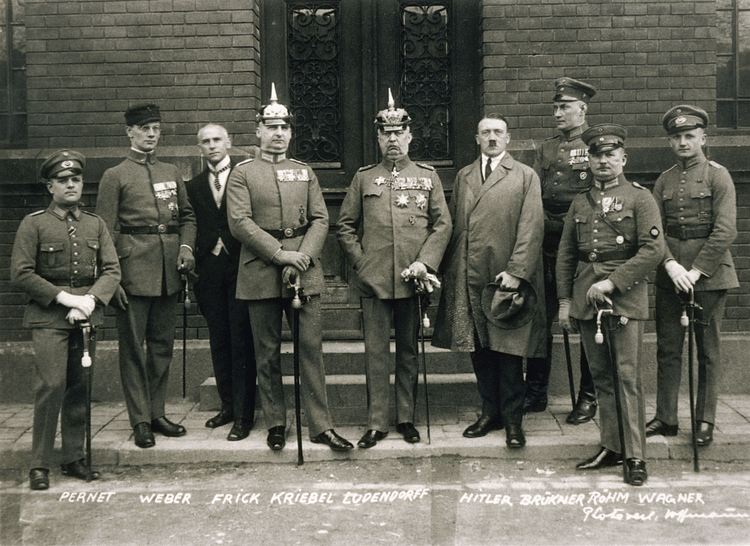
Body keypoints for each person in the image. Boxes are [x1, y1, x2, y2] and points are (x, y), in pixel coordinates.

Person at [226, 85, 352, 452]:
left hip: (304, 270)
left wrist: (304, 257)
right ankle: (276, 423)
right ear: (258, 131)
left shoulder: (304, 171)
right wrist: (281, 255)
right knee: (265, 353)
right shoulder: (242, 173)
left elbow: (320, 219)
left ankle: (321, 425)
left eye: (284, 127)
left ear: (291, 132)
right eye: (271, 126)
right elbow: (240, 222)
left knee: (310, 350)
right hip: (260, 270)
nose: (278, 133)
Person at [337, 90, 452, 448]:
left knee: (408, 351)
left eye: (398, 133)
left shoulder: (427, 176)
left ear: (409, 136)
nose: (392, 139)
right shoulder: (364, 177)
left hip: (413, 281)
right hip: (374, 281)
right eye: (386, 133)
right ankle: (376, 423)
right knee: (375, 353)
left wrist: (425, 262)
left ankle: (405, 418)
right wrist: (362, 263)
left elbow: (442, 225)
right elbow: (344, 226)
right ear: (377, 138)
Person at [557, 124, 665, 486]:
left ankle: (635, 455)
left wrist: (613, 282)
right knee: (602, 378)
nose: (603, 161)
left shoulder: (640, 198)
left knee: (627, 378)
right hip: (587, 301)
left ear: (623, 159)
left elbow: (653, 250)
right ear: (588, 160)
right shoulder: (579, 202)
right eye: (596, 155)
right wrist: (564, 302)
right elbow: (566, 256)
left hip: (624, 299)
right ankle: (611, 445)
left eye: (610, 155)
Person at [432, 113, 546, 448]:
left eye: (498, 132)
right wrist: (445, 270)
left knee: (508, 349)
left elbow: (532, 227)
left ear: (508, 139)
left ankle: (513, 420)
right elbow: (455, 228)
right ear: (477, 139)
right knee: (479, 347)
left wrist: (516, 271)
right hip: (470, 275)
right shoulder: (465, 175)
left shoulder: (525, 176)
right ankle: (489, 412)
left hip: (505, 276)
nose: (492, 138)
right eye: (485, 133)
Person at [11, 150, 121, 490]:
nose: (71, 185)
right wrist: (66, 299)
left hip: (86, 316)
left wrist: (88, 301)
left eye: (75, 180)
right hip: (48, 318)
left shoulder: (95, 224)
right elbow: (21, 273)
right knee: (51, 385)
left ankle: (74, 457)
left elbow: (112, 269)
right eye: (63, 181)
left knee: (80, 387)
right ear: (50, 186)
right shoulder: (34, 224)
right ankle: (39, 465)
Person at [96, 104, 197, 449]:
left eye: (156, 128)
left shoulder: (170, 171)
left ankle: (157, 412)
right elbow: (103, 231)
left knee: (161, 348)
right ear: (130, 133)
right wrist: (112, 280)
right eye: (145, 128)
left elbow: (187, 218)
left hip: (169, 272)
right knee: (133, 351)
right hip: (131, 274)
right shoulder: (116, 175)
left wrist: (186, 249)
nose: (152, 134)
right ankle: (139, 420)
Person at [646, 105, 738, 447]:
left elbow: (726, 229)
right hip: (670, 275)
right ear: (670, 141)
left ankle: (704, 420)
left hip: (710, 277)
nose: (683, 142)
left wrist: (697, 270)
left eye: (689, 136)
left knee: (707, 350)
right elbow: (653, 231)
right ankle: (666, 417)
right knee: (667, 348)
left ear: (703, 138)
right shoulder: (664, 180)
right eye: (676, 137)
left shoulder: (718, 176)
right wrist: (670, 264)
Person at [527, 77, 598, 423]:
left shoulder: (596, 145)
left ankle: (588, 396)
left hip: (581, 245)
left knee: (583, 318)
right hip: (546, 243)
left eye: (564, 107)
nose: (558, 113)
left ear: (582, 109)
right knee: (541, 319)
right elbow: (534, 196)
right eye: (555, 107)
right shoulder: (545, 150)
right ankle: (536, 391)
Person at [185, 124, 257, 441]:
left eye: (217, 140)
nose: (212, 145)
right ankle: (227, 406)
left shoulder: (245, 177)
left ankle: (244, 415)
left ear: (229, 143)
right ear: (199, 148)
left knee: (242, 340)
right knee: (219, 338)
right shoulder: (194, 185)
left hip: (242, 267)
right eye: (206, 142)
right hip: (209, 272)